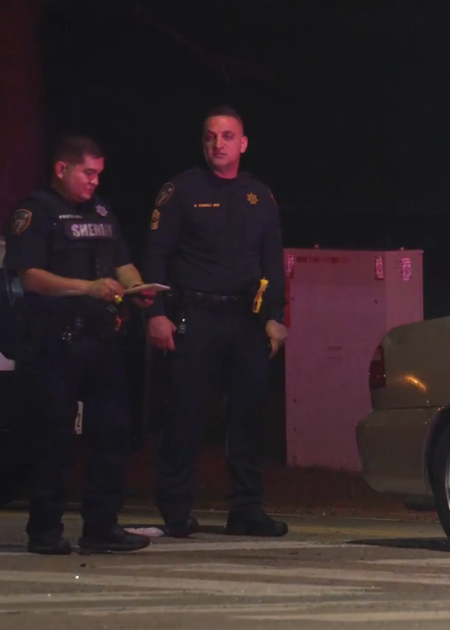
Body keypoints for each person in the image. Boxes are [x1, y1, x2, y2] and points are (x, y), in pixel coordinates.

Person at [2, 135, 154, 554]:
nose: (94, 181)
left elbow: (121, 262)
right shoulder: (36, 212)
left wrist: (137, 287)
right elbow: (29, 276)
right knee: (54, 437)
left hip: (100, 341)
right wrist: (86, 287)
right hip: (53, 342)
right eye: (88, 173)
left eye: (99, 173)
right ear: (61, 169)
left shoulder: (102, 211)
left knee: (115, 433)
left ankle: (101, 526)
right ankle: (45, 530)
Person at [142, 105, 289, 538]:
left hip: (245, 319)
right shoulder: (181, 191)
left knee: (246, 416)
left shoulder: (258, 196)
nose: (218, 144)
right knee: (185, 413)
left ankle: (245, 508)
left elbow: (272, 263)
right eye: (210, 137)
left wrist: (274, 316)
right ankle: (175, 508)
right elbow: (154, 256)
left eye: (227, 137)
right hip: (194, 315)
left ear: (242, 144)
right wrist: (156, 313)